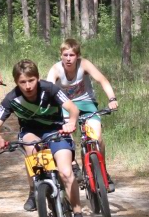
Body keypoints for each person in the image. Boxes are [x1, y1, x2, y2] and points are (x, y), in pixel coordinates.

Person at [0, 59, 95, 217]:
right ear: (16, 82)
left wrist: (71, 122)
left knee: (66, 172)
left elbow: (73, 109)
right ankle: (35, 190)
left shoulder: (50, 89)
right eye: (22, 82)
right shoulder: (12, 98)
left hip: (56, 130)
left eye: (31, 80)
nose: (28, 86)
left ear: (38, 78)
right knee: (30, 148)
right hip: (31, 133)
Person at [46, 38, 118, 191]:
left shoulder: (84, 64)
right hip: (66, 106)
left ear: (77, 56)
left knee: (97, 138)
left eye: (72, 55)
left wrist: (112, 99)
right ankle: (74, 166)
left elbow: (102, 80)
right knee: (67, 136)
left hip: (86, 104)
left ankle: (103, 171)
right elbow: (48, 89)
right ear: (60, 55)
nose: (68, 59)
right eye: (65, 55)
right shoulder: (56, 69)